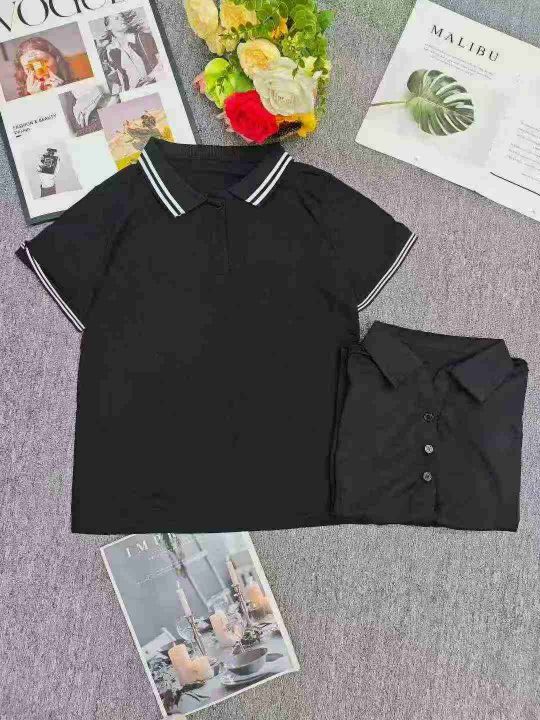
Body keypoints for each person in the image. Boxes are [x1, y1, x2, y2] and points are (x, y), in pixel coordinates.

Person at [97, 11, 161, 94]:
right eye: (117, 18)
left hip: (153, 86)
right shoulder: (111, 52)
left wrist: (151, 76)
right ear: (109, 27)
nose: (122, 19)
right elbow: (120, 77)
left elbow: (163, 60)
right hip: (132, 92)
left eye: (122, 17)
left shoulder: (143, 38)